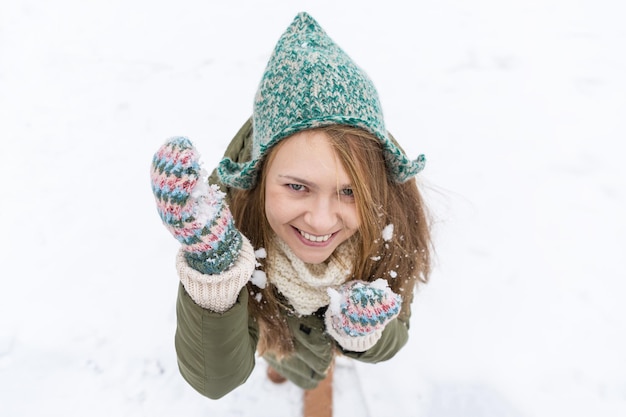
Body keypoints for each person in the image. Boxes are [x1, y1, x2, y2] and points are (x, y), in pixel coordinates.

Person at [150, 11, 432, 416]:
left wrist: (361, 336)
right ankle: (281, 361)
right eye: (298, 187)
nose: (320, 221)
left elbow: (396, 334)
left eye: (349, 192)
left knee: (317, 359)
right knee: (275, 349)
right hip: (269, 330)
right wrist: (215, 272)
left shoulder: (391, 222)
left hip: (336, 336)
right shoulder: (231, 224)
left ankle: (320, 371)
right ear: (261, 176)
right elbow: (216, 379)